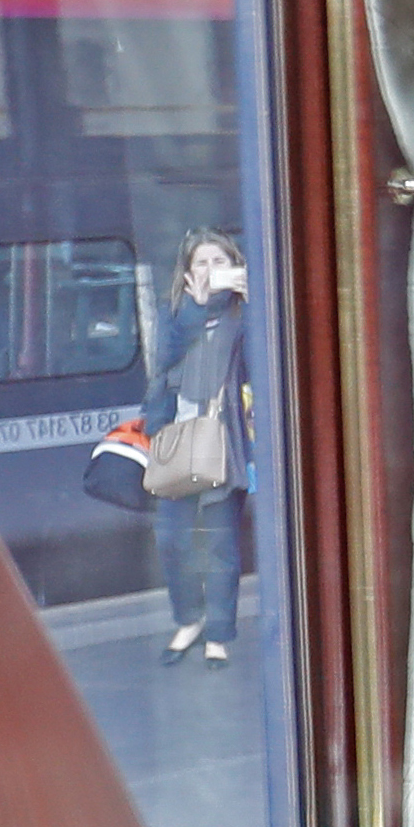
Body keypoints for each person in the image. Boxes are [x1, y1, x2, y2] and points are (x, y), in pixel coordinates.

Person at [151, 229, 251, 665]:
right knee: (172, 540)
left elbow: (265, 365)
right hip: (177, 441)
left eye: (218, 261)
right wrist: (192, 310)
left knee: (220, 546)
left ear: (233, 266)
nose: (209, 271)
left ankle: (218, 634)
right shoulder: (175, 312)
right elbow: (164, 360)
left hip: (223, 442)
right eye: (200, 264)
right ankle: (188, 618)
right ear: (187, 274)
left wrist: (258, 302)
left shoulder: (245, 313)